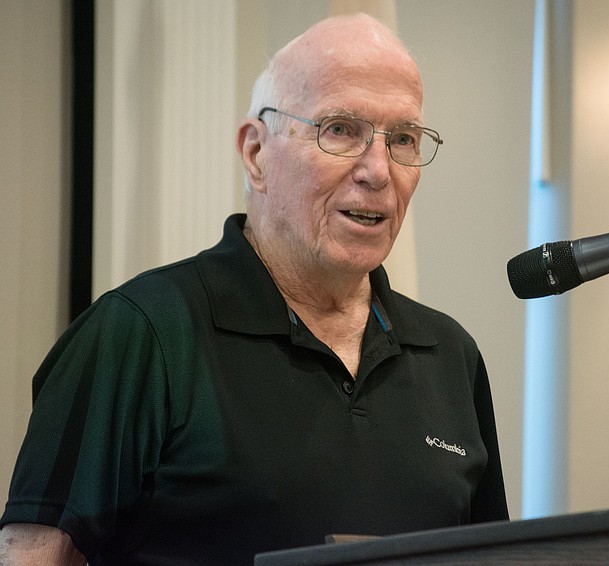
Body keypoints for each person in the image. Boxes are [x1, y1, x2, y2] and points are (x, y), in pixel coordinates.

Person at [0, 13, 508, 566]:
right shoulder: (141, 333)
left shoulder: (450, 354)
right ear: (256, 153)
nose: (378, 171)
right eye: (340, 130)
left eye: (404, 139)